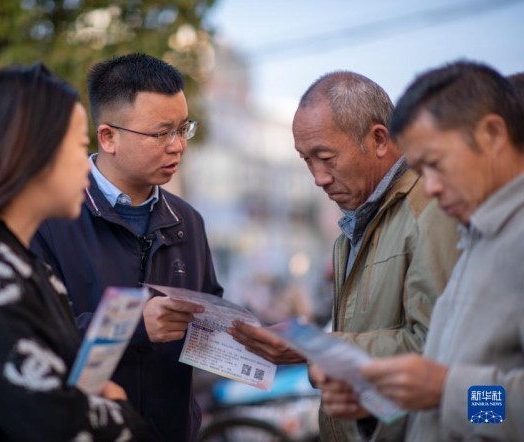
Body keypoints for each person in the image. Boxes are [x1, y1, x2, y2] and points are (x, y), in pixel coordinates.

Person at [0, 64, 147, 441]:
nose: (86, 165)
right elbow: (56, 425)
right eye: (77, 145)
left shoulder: (18, 261)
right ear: (33, 152)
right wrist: (118, 410)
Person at [228, 71, 459, 441]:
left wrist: (316, 348)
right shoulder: (357, 223)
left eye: (326, 157)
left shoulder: (432, 209)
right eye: (306, 160)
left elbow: (436, 345)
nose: (318, 177)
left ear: (379, 139)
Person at [31, 54, 223, 442]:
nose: (178, 146)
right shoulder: (49, 217)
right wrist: (137, 326)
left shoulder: (187, 222)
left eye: (184, 129)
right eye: (161, 134)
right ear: (108, 137)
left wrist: (241, 337)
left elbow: (210, 315)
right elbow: (34, 337)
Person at [359, 61, 524, 441]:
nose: (429, 187)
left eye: (435, 164)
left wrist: (448, 391)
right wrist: (386, 399)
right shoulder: (479, 236)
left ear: (492, 134)